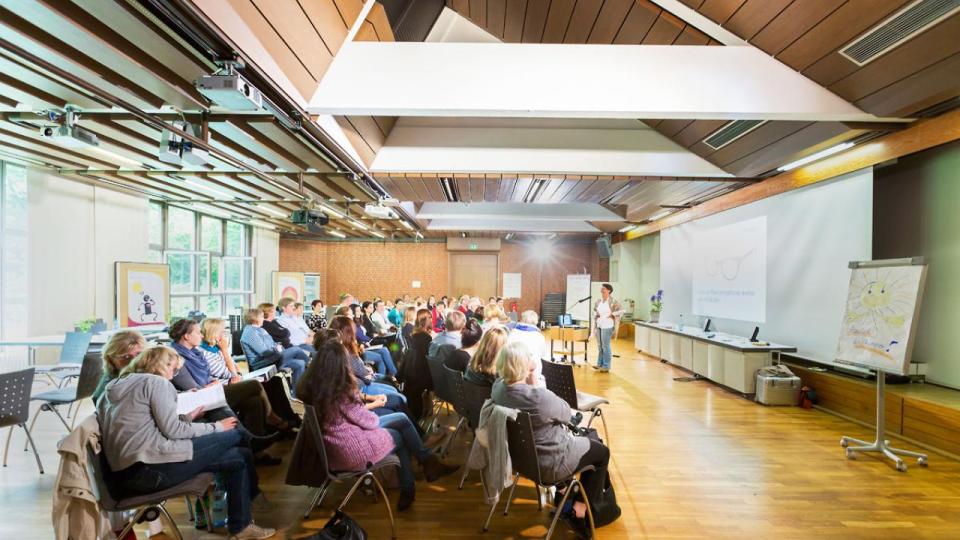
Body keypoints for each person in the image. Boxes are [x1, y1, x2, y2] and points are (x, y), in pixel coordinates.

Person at [98, 347, 275, 540]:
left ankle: (241, 526)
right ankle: (253, 448)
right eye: (174, 369)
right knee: (234, 435)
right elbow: (173, 431)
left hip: (127, 475)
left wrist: (188, 417)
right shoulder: (156, 383)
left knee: (239, 457)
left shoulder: (117, 386)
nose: (173, 375)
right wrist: (216, 427)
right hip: (151, 471)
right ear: (162, 365)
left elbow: (149, 426)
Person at [297, 340, 458, 512]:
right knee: (401, 433)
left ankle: (421, 473)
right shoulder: (339, 390)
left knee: (401, 420)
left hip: (338, 444)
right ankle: (418, 476)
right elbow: (369, 421)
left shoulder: (315, 387)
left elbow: (354, 417)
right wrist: (378, 403)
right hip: (350, 449)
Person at [491, 342, 610, 538]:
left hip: (521, 460)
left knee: (589, 442)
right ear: (525, 366)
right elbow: (566, 413)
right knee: (601, 452)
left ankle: (564, 493)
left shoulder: (498, 388)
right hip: (551, 463)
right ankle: (579, 510)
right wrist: (534, 383)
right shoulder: (538, 397)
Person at [169, 320, 277, 447]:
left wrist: (212, 381)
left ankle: (256, 447)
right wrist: (210, 385)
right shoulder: (176, 357)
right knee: (253, 385)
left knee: (254, 401)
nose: (202, 335)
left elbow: (207, 375)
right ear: (187, 336)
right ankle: (271, 419)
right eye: (198, 333)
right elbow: (192, 388)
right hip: (201, 397)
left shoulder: (195, 353)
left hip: (211, 390)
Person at [199, 318, 293, 432]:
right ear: (213, 333)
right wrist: (225, 351)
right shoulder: (205, 353)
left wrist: (235, 371)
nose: (224, 335)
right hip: (224, 386)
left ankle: (288, 418)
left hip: (235, 380)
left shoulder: (215, 348)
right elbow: (230, 373)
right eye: (222, 332)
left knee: (275, 381)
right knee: (260, 387)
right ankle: (272, 418)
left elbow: (236, 368)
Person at [240, 308, 308, 394]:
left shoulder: (260, 329)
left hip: (274, 358)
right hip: (263, 363)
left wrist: (277, 347)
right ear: (254, 318)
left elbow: (273, 344)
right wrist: (277, 349)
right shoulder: (250, 332)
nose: (263, 319)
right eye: (261, 317)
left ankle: (296, 393)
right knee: (297, 350)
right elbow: (264, 352)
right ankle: (312, 378)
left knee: (300, 363)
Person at [398, 309, 435, 421]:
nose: (432, 320)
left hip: (412, 375)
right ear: (425, 320)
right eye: (430, 318)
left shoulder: (415, 334)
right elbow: (428, 359)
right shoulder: (426, 337)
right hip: (422, 376)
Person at [93, 330, 146, 404]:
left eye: (138, 354)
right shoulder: (108, 387)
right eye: (126, 357)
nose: (134, 361)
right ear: (111, 359)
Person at [506, 310, 549, 387]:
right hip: (532, 377)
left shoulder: (512, 333)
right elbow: (543, 355)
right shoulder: (538, 336)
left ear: (522, 319)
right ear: (535, 321)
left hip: (512, 375)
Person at [593, 283, 623, 373]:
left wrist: (613, 315)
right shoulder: (599, 301)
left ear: (609, 290)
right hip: (599, 325)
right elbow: (594, 311)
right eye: (601, 289)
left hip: (608, 325)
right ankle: (599, 364)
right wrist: (596, 315)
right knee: (600, 346)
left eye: (604, 288)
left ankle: (606, 366)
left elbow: (621, 310)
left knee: (605, 346)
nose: (602, 290)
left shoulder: (613, 301)